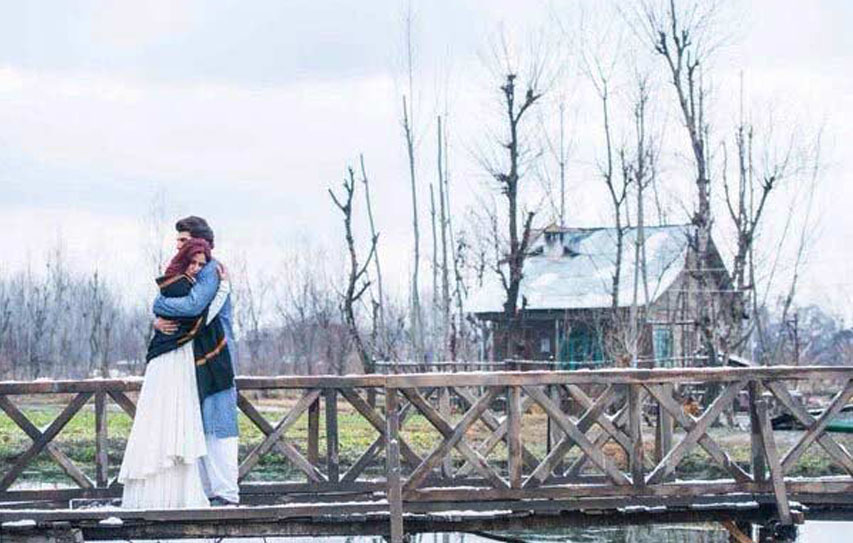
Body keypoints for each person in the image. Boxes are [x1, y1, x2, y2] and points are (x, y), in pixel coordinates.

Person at [119, 238, 233, 508]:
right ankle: (163, 495)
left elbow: (192, 314)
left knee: (174, 419)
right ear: (182, 260)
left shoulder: (179, 284)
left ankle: (172, 493)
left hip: (177, 358)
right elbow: (198, 315)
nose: (196, 268)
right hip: (169, 359)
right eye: (192, 262)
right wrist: (223, 289)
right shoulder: (177, 285)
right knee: (166, 419)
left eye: (200, 264)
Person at [151, 217, 240, 506]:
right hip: (195, 355)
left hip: (216, 355)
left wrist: (157, 306)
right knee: (199, 424)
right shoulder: (191, 270)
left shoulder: (211, 269)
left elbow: (193, 307)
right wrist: (157, 321)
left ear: (199, 241)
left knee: (219, 423)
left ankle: (226, 494)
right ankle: (206, 492)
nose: (177, 245)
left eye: (183, 239)